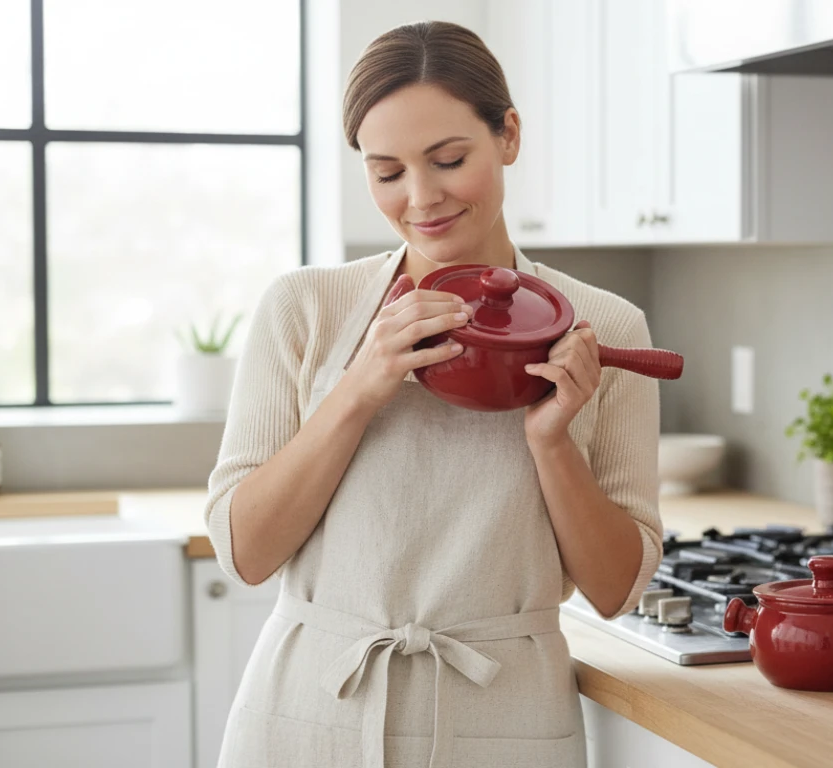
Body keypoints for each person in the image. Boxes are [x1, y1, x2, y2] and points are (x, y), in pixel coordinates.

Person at [203, 20, 664, 768]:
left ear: (508, 135)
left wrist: (550, 438)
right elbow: (245, 552)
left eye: (449, 159)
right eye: (386, 173)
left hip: (507, 717)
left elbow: (614, 588)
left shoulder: (604, 326)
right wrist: (359, 389)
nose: (421, 198)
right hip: (308, 715)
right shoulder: (305, 309)